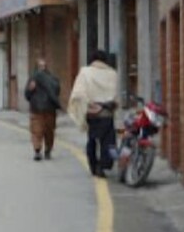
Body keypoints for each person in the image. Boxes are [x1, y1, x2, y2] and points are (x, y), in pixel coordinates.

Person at [68, 49, 119, 178]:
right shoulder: (112, 74)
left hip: (92, 113)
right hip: (107, 113)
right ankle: (103, 165)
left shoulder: (85, 72)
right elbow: (116, 95)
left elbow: (78, 93)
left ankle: (93, 165)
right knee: (108, 141)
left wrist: (87, 104)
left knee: (92, 139)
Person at [24, 56, 61, 161]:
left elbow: (57, 91)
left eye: (43, 66)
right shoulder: (32, 79)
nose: (42, 68)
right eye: (40, 66)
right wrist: (30, 89)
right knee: (37, 131)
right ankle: (37, 151)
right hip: (36, 110)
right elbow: (27, 95)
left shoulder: (52, 79)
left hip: (49, 110)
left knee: (49, 131)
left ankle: (48, 150)